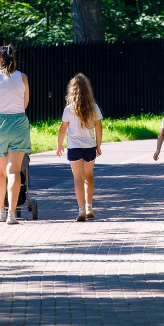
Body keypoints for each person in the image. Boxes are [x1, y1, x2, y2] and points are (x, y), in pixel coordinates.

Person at [0, 45, 31, 224]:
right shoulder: (23, 77)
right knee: (14, 171)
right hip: (19, 124)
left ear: (0, 59)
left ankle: (1, 211)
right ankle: (12, 213)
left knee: (0, 171)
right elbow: (25, 104)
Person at [56, 73, 103, 222]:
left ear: (72, 91)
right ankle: (89, 207)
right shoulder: (93, 107)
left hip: (74, 148)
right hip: (89, 146)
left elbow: (62, 129)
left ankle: (81, 210)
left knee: (78, 179)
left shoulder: (69, 109)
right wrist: (98, 145)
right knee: (89, 177)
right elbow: (99, 127)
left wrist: (59, 145)